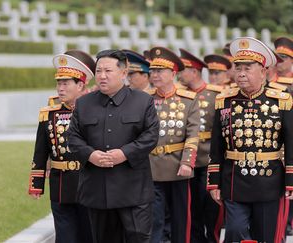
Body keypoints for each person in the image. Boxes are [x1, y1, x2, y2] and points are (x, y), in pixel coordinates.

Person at [207, 37, 293, 243]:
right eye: (238, 68)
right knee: (235, 231)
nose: (241, 73)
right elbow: (217, 144)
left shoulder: (281, 101)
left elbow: (291, 142)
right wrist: (214, 182)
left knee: (266, 235)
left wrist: (291, 180)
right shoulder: (224, 101)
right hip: (234, 179)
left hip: (269, 179)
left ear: (263, 71)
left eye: (248, 68)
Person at [68, 49, 159, 243]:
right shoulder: (83, 104)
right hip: (97, 189)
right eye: (98, 71)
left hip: (134, 190)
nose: (101, 76)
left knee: (139, 238)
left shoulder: (143, 101)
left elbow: (150, 136)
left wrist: (124, 153)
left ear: (123, 73)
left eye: (108, 71)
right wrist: (90, 155)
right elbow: (73, 138)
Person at [28, 49, 96, 243]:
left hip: (88, 182)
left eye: (65, 83)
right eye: (59, 83)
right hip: (60, 184)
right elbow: (40, 151)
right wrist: (36, 185)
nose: (60, 88)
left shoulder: (94, 111)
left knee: (89, 234)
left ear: (81, 85)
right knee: (65, 236)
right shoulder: (49, 114)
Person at [143, 47, 200, 243]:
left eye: (160, 71)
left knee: (180, 218)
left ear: (173, 73)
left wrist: (187, 162)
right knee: (154, 219)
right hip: (151, 167)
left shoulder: (188, 100)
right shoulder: (145, 100)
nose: (155, 75)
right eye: (153, 70)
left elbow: (193, 134)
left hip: (178, 168)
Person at [178, 48, 223, 243]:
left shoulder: (214, 94)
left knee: (210, 205)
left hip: (208, 157)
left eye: (183, 69)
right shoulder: (181, 95)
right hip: (187, 159)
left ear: (194, 71)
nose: (179, 73)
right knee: (191, 206)